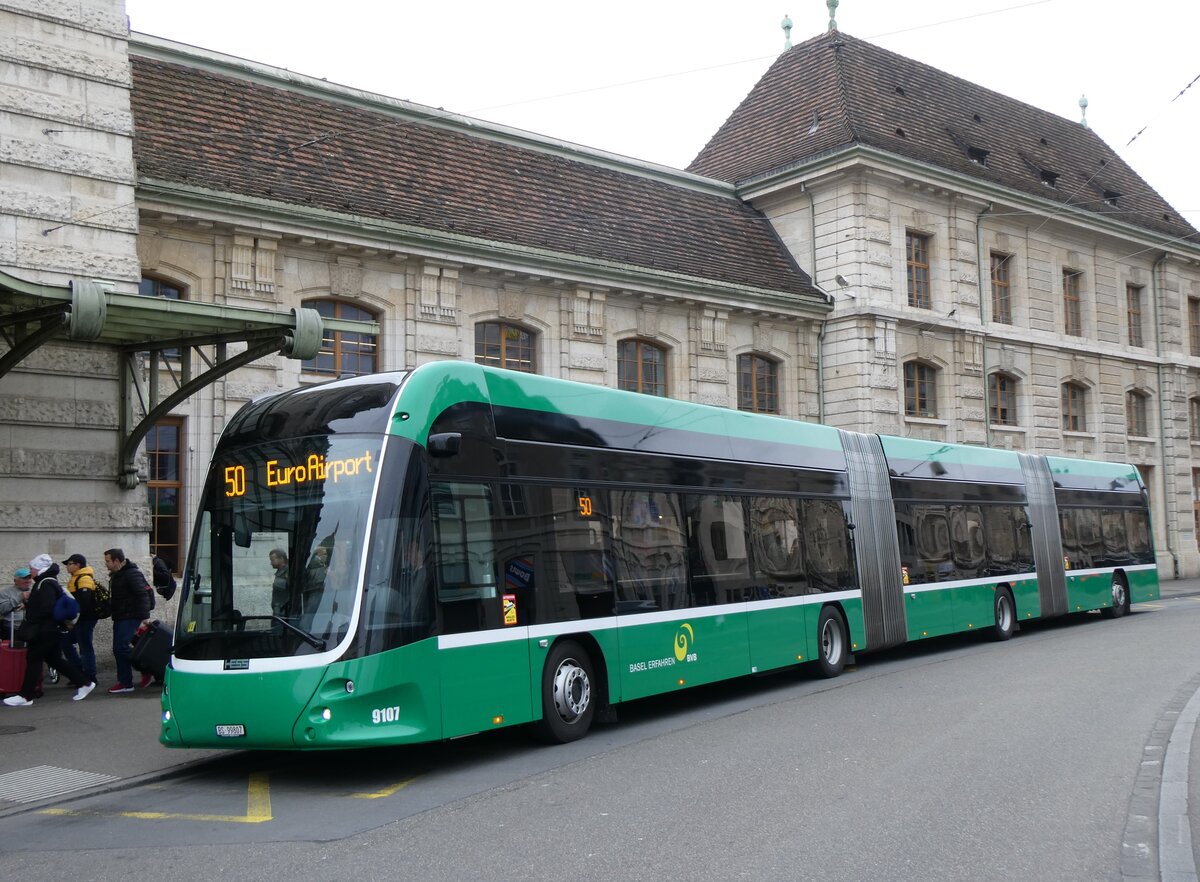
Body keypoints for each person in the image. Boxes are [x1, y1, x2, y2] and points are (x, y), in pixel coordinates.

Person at [2, 554, 95, 706]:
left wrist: (31, 609)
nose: (30, 572)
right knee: (54, 659)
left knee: (34, 659)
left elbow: (47, 607)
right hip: (50, 629)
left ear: (39, 569)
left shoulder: (45, 583)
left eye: (32, 568)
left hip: (44, 630)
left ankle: (25, 696)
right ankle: (84, 683)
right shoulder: (47, 582)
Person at [103, 548, 152, 694]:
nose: (106, 564)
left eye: (108, 561)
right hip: (121, 616)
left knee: (121, 648)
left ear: (117, 561)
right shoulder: (118, 574)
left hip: (130, 616)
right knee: (119, 649)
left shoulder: (131, 574)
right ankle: (128, 680)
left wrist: (145, 617)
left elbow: (142, 594)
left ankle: (141, 670)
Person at [61, 553, 99, 686]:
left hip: (85, 619)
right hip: (79, 619)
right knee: (65, 642)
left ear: (77, 565)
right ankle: (78, 673)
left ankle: (89, 677)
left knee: (85, 647)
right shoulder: (75, 578)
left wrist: (73, 622)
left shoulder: (84, 579)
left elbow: (84, 604)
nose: (67, 567)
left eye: (69, 564)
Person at [0, 566, 30, 637]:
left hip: (31, 628)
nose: (28, 581)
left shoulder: (34, 591)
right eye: (24, 578)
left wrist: (27, 604)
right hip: (12, 628)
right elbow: (2, 609)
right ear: (15, 580)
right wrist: (19, 598)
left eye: (29, 578)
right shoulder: (5, 592)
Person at [269, 548, 290, 616]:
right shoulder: (280, 572)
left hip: (284, 612)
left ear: (281, 558)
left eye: (273, 560)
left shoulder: (288, 572)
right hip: (278, 611)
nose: (271, 563)